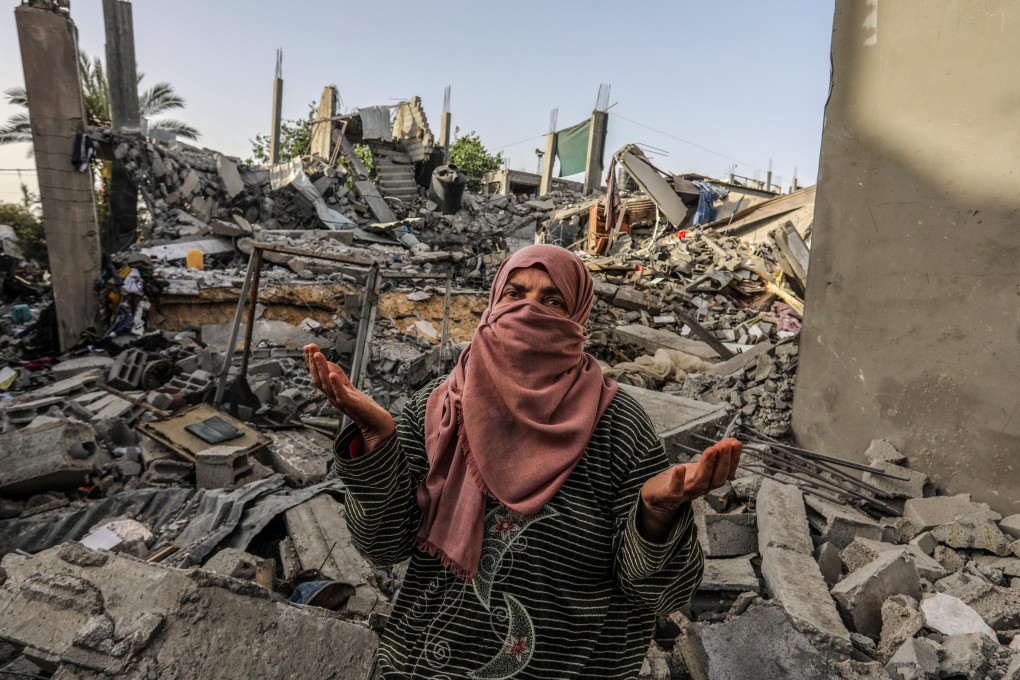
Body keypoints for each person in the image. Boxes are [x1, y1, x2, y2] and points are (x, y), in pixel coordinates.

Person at [304, 244, 742, 680]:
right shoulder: (438, 407)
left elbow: (662, 593)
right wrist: (378, 442)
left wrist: (656, 513)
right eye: (516, 293)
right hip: (425, 666)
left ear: (578, 319)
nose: (529, 311)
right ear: (494, 302)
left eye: (553, 301)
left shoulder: (617, 426)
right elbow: (382, 546)